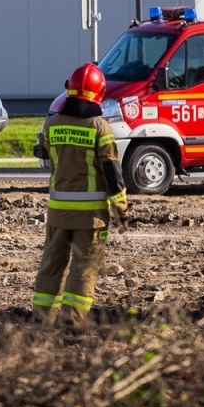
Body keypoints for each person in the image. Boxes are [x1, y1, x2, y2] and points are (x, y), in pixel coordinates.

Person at [31, 63, 127, 324]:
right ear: (99, 93)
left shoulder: (51, 125)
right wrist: (121, 211)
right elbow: (112, 172)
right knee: (84, 268)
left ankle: (42, 316)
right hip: (90, 217)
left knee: (52, 265)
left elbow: (43, 152)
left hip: (58, 213)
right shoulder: (100, 127)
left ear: (69, 89)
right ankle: (72, 320)